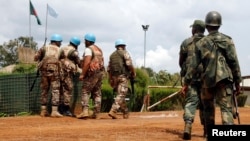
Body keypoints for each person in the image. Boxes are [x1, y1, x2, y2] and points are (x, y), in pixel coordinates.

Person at [182, 11, 242, 138]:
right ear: (219, 25)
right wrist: (238, 82)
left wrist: (186, 83)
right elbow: (234, 63)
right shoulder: (227, 40)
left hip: (206, 82)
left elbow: (192, 66)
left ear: (207, 26)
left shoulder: (200, 43)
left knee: (208, 110)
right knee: (226, 110)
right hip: (224, 80)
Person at [179, 20, 206, 140]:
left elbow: (181, 61)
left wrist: (185, 72)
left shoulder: (186, 42)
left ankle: (188, 127)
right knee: (206, 104)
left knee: (191, 101)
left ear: (194, 29)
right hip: (206, 78)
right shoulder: (209, 42)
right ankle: (207, 130)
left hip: (191, 78)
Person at [34, 34, 65, 117]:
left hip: (44, 72)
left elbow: (35, 58)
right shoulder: (60, 50)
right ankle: (54, 111)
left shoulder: (44, 48)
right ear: (57, 42)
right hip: (55, 73)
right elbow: (62, 61)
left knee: (44, 90)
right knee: (55, 90)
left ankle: (43, 110)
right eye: (60, 42)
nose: (60, 44)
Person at [76, 33, 105, 119]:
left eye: (85, 40)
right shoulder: (99, 49)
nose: (84, 42)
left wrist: (82, 74)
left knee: (85, 91)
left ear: (88, 41)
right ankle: (96, 113)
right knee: (97, 93)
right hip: (99, 73)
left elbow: (87, 62)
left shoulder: (88, 50)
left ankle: (85, 111)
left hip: (91, 74)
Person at [107, 39, 136, 119]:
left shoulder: (112, 55)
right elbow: (129, 64)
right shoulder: (125, 53)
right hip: (123, 76)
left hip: (114, 77)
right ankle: (113, 110)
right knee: (122, 94)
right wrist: (133, 72)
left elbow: (109, 69)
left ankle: (125, 111)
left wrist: (111, 79)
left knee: (121, 95)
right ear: (123, 46)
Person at [59, 37, 81, 116]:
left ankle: (60, 108)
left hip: (59, 71)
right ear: (76, 45)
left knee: (60, 89)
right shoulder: (74, 51)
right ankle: (66, 109)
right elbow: (78, 62)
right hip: (67, 72)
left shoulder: (62, 48)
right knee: (68, 89)